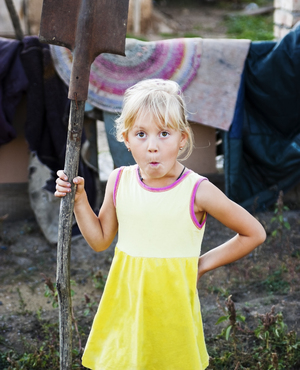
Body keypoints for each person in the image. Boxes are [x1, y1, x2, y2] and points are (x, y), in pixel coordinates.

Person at [55, 78, 266, 370]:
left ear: (182, 137)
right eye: (141, 134)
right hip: (127, 308)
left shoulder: (197, 190)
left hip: (172, 314)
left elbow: (253, 232)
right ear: (126, 139)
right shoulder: (119, 181)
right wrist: (79, 201)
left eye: (164, 133)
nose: (152, 147)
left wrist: (201, 264)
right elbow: (101, 239)